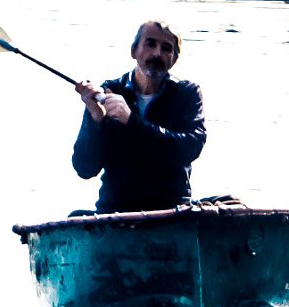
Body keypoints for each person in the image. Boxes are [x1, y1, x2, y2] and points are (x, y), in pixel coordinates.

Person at [71, 20, 206, 213]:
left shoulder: (187, 93)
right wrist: (96, 121)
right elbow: (84, 169)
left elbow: (190, 148)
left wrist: (131, 121)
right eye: (150, 44)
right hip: (115, 211)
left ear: (174, 59)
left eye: (166, 48)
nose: (157, 54)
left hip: (171, 210)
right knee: (75, 217)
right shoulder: (110, 91)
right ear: (134, 51)